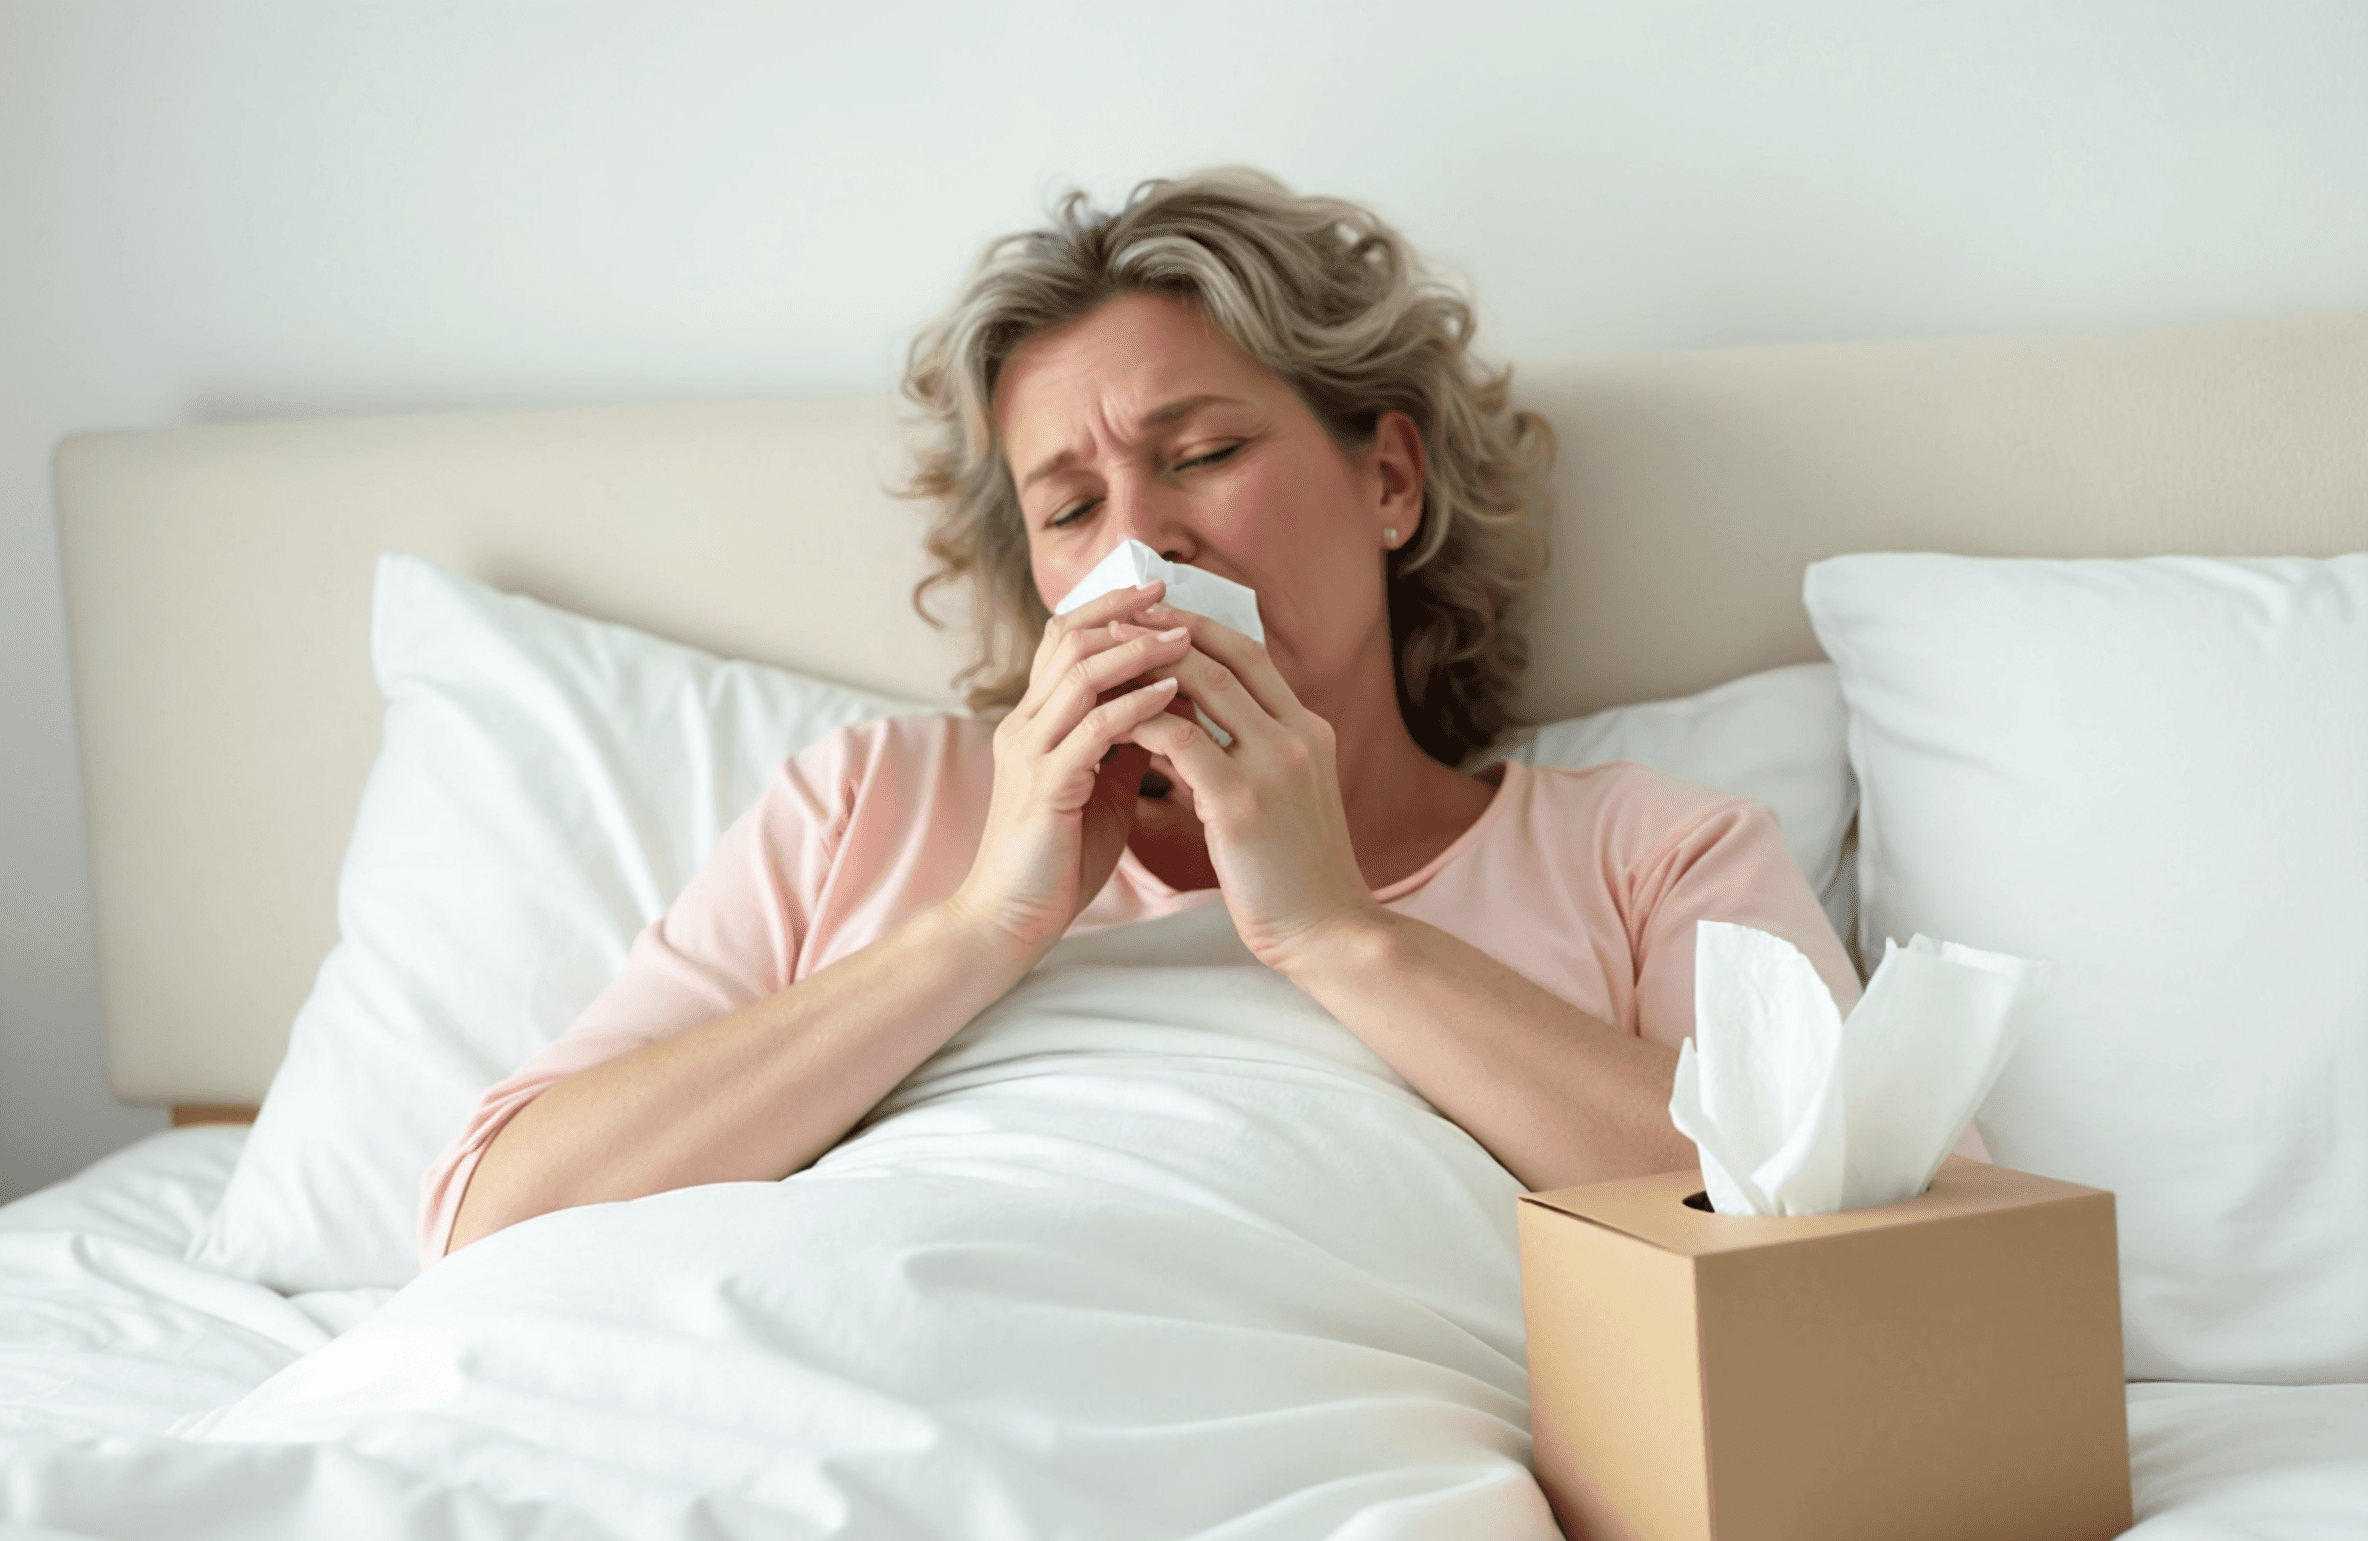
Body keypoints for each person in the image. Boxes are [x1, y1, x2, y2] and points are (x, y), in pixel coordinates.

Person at [424, 169, 1856, 1260]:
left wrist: (1341, 937)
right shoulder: (870, 807)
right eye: (1069, 507)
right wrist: (978, 929)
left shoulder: (1645, 855)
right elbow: (496, 1217)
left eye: (1208, 452)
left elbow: (1876, 1246)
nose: (1144, 543)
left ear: (1390, 481)